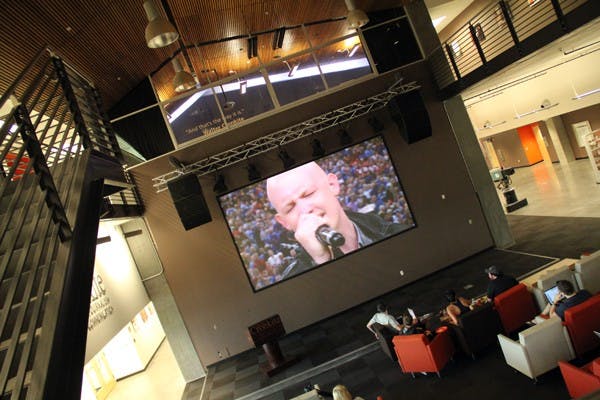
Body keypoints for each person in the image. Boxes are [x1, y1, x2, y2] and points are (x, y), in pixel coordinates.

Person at [266, 162, 407, 275]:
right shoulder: (294, 286)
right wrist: (321, 263)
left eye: (308, 194)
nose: (305, 210)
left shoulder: (397, 233)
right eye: (290, 208)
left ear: (333, 185)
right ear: (283, 222)